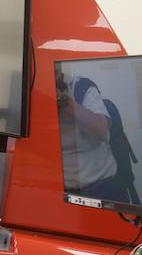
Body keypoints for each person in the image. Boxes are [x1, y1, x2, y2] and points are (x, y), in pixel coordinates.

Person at [56, 73, 132, 204]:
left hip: (102, 187)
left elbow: (101, 131)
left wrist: (65, 102)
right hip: (60, 191)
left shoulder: (81, 87)